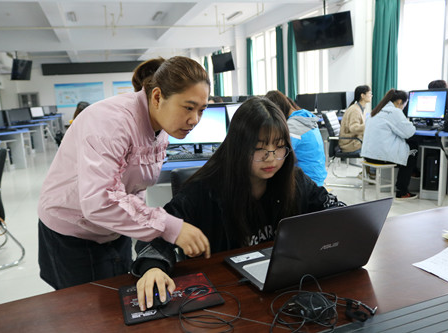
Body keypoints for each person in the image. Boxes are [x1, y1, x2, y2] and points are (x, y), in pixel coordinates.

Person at [131, 97, 345, 310]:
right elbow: (156, 231)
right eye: (260, 148)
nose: (271, 158)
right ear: (239, 148)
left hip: (284, 289)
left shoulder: (295, 180)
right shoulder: (204, 190)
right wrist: (152, 269)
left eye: (279, 147)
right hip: (226, 295)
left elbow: (332, 210)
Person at [37, 56, 212, 290]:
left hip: (114, 228)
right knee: (89, 313)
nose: (195, 120)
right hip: (72, 231)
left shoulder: (162, 127)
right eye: (188, 108)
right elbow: (99, 201)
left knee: (120, 301)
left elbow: (134, 187)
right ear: (158, 96)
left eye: (201, 110)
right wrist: (170, 227)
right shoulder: (111, 123)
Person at [361, 89, 418, 200]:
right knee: (413, 149)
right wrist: (411, 123)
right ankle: (402, 191)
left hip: (368, 155)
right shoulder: (394, 112)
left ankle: (413, 173)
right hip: (380, 157)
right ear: (400, 101)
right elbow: (409, 132)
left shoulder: (377, 110)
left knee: (408, 148)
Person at [265, 90, 327, 186]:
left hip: (308, 181)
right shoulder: (304, 117)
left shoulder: (294, 125)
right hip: (317, 177)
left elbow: (280, 155)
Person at [339, 85, 372, 154]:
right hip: (350, 144)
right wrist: (369, 125)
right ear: (362, 95)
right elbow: (353, 128)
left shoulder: (360, 108)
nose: (371, 95)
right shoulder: (355, 110)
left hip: (355, 140)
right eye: (369, 93)